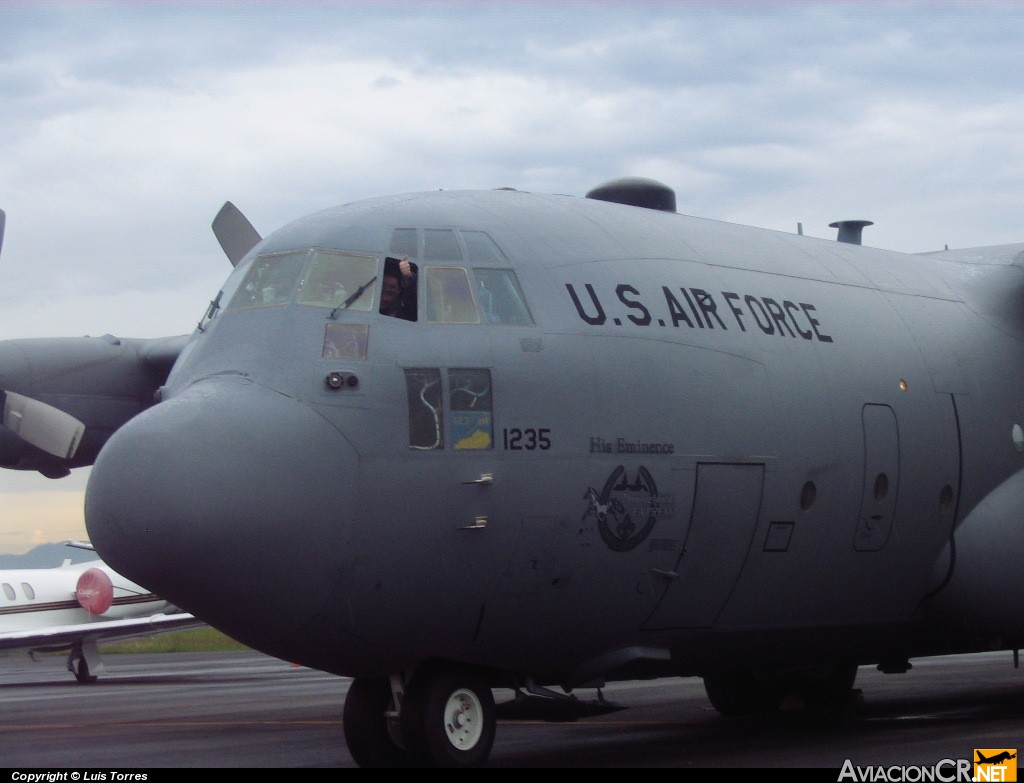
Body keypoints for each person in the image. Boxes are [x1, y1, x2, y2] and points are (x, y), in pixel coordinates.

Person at [380, 255, 417, 320]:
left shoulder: (404, 314)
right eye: (383, 285)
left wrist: (408, 276)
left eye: (392, 287)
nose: (387, 289)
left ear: (398, 290)